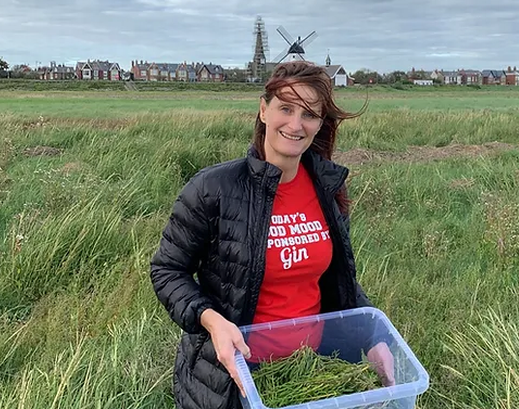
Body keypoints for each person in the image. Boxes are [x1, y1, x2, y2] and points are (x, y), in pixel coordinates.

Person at [150, 60, 395, 409]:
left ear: (320, 123)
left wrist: (374, 340)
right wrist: (212, 320)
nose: (296, 124)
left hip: (310, 371)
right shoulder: (213, 188)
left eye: (309, 114)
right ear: (264, 110)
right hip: (230, 378)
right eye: (286, 108)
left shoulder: (327, 191)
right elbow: (167, 271)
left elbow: (339, 282)